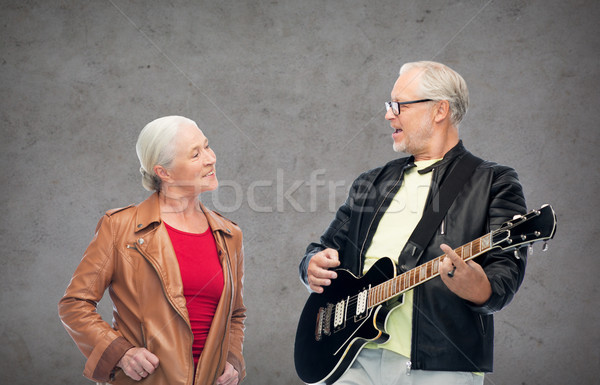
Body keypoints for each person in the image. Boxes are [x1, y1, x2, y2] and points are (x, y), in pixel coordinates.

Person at [298, 61, 527, 384]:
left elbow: (505, 276)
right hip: (353, 357)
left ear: (439, 110)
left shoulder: (493, 181)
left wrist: (478, 287)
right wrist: (311, 264)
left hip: (440, 363)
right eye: (389, 106)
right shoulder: (372, 181)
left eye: (399, 105)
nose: (389, 115)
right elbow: (323, 248)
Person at [59, 116, 246, 385]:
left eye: (207, 146)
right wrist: (120, 353)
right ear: (164, 173)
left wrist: (233, 360)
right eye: (195, 154)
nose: (210, 158)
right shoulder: (120, 227)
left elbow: (236, 314)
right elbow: (74, 304)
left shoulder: (229, 235)